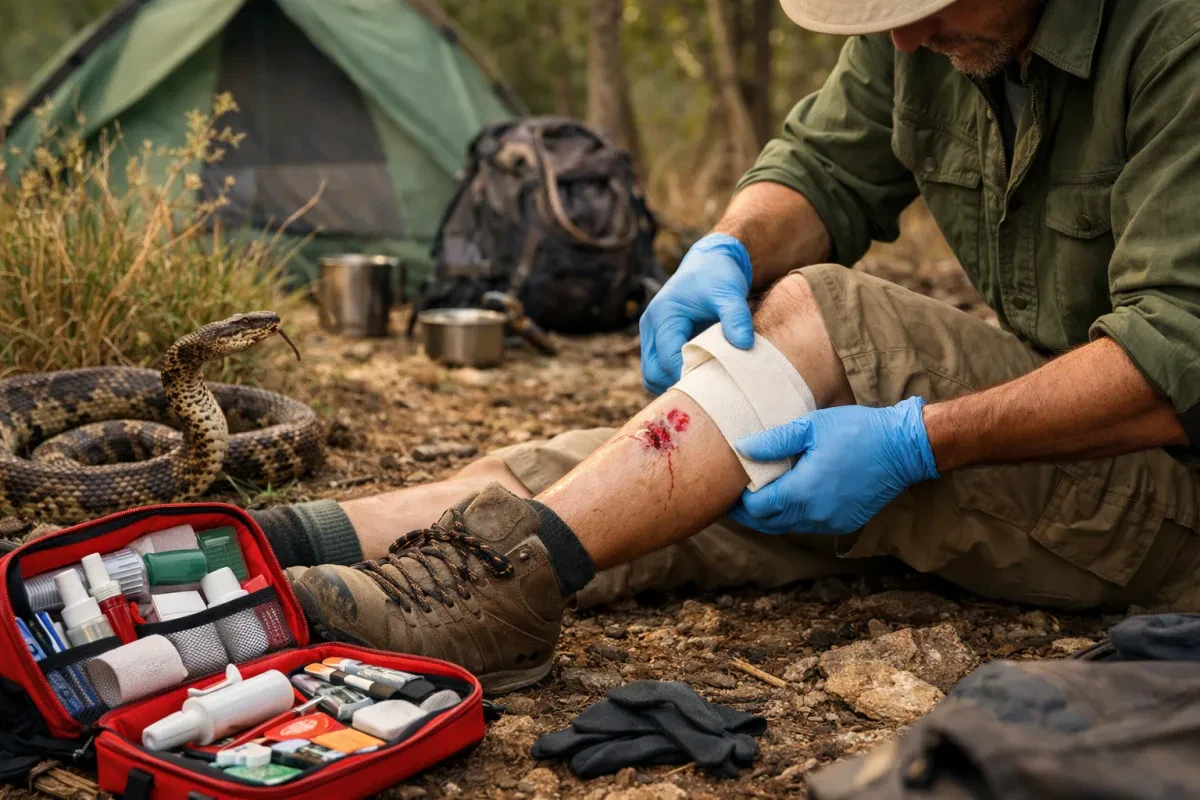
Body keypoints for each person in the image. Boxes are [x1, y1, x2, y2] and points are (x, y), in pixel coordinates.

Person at [262, 0, 1200, 695]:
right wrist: (730, 248)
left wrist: (919, 440)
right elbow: (822, 168)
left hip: (1168, 495)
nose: (905, 37)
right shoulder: (928, 32)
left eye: (922, 6)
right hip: (1057, 464)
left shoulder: (1175, 38)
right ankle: (315, 550)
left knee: (832, 318)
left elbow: (1171, 359)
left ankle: (494, 597)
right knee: (670, 474)